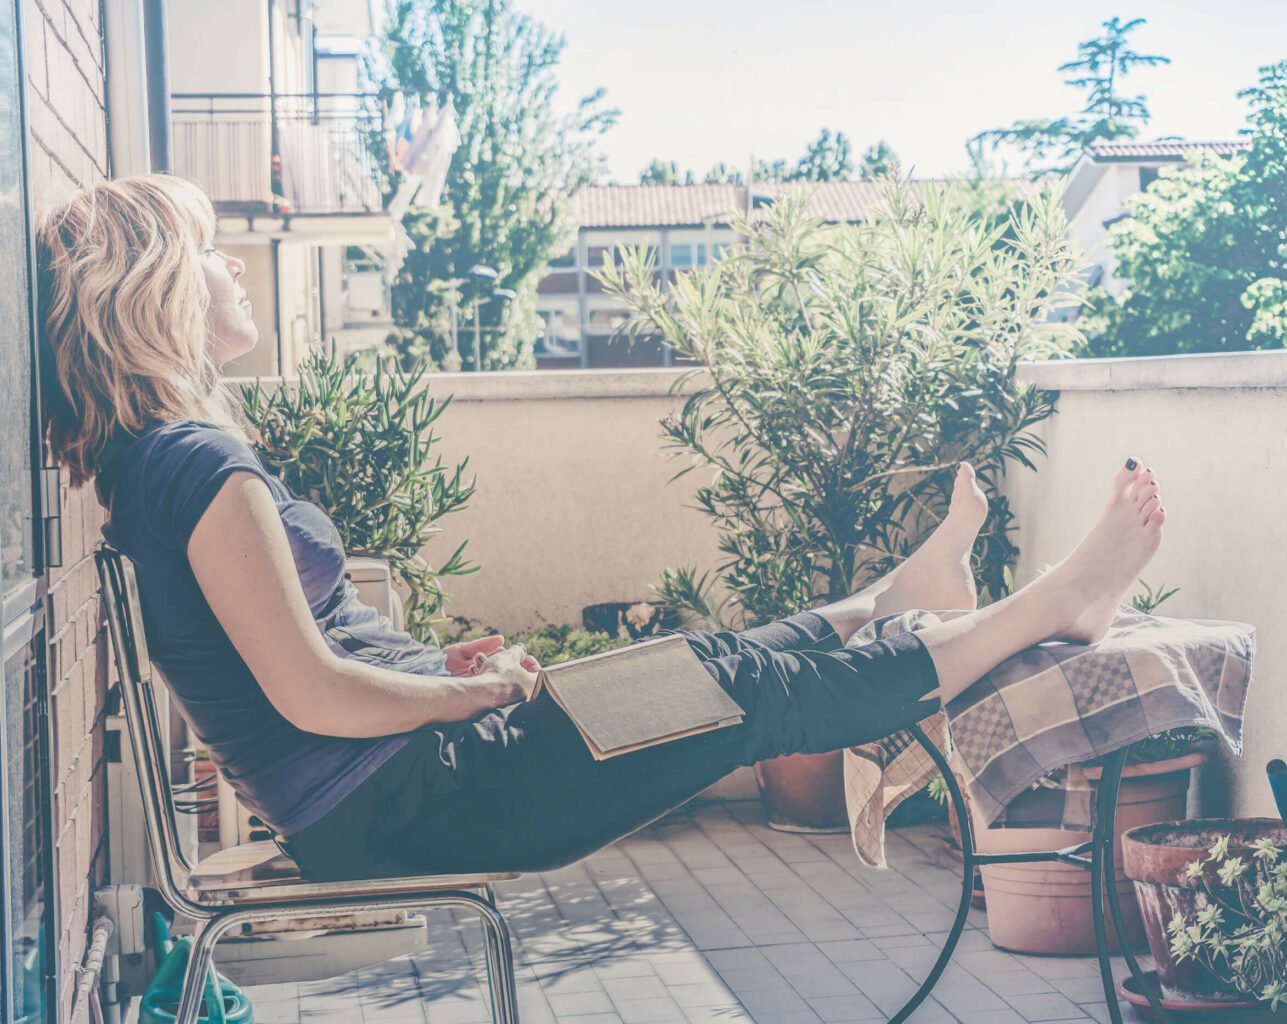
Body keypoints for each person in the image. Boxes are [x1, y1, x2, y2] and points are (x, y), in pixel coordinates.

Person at [37, 176, 1167, 881]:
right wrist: (463, 693)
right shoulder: (197, 465)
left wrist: (440, 666)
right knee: (745, 694)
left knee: (726, 663)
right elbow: (310, 693)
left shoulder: (162, 465)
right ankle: (1043, 608)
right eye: (208, 251)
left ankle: (884, 603)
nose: (232, 265)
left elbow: (309, 665)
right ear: (158, 290)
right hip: (412, 798)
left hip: (409, 783)